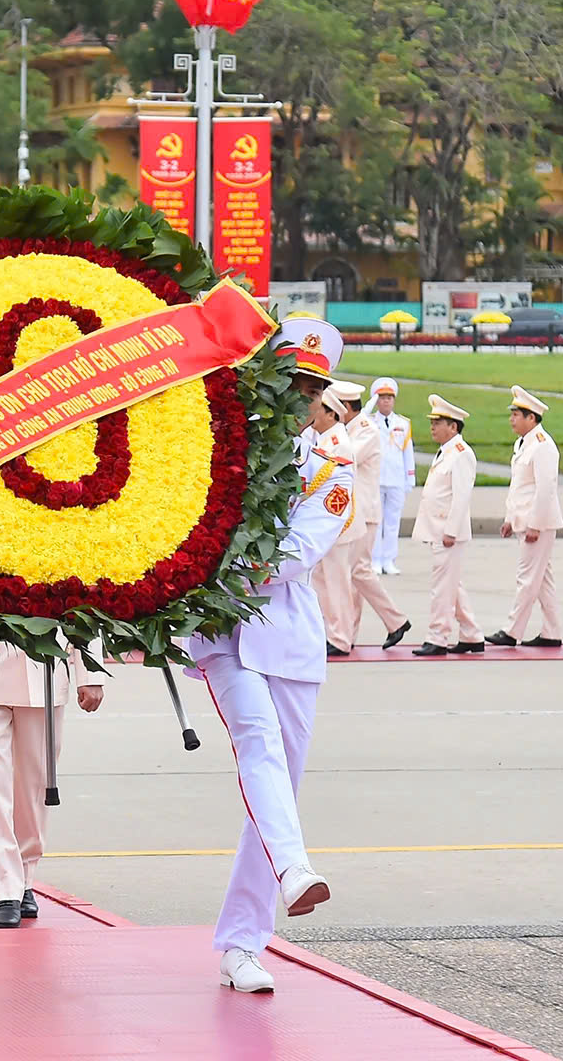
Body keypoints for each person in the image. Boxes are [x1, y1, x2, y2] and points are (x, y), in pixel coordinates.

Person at [188, 316, 350, 994]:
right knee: (257, 744)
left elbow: (291, 556)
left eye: (311, 389)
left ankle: (242, 942)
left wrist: (225, 563)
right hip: (224, 633)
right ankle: (295, 869)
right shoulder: (218, 455)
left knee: (276, 788)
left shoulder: (330, 481)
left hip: (285, 639)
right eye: (289, 383)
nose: (300, 400)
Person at [0, 637, 104, 927]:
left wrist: (90, 673)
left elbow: (87, 598)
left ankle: (26, 877)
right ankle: (5, 890)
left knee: (35, 787)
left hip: (43, 674)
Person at [489, 386, 563, 649]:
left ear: (531, 418)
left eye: (516, 415)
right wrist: (510, 518)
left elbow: (545, 489)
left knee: (527, 578)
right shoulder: (523, 444)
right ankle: (552, 632)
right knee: (542, 581)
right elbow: (520, 487)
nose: (512, 419)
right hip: (525, 521)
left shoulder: (543, 446)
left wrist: (534, 524)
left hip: (538, 524)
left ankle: (512, 631)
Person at [340, 384, 409, 651]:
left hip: (365, 512)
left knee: (359, 571)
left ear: (347, 408)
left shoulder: (366, 431)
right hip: (355, 512)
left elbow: (348, 457)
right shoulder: (354, 429)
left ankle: (396, 620)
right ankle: (349, 633)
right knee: (355, 575)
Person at [411, 395, 480, 656]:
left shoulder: (461, 454)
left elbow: (461, 496)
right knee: (453, 585)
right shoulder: (447, 452)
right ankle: (472, 635)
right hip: (440, 530)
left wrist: (451, 530)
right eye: (432, 422)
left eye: (438, 422)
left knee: (442, 588)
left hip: (448, 533)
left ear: (453, 427)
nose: (432, 427)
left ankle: (437, 637)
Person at [306, 383, 362, 657]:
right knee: (323, 583)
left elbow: (340, 492)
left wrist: (331, 528)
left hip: (336, 527)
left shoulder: (339, 443)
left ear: (331, 414)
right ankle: (333, 632)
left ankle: (341, 638)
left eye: (319, 409)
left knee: (337, 584)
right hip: (325, 527)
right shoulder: (325, 438)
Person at [366, 378, 415, 575]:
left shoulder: (403, 423)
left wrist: (409, 479)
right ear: (376, 400)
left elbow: (407, 452)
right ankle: (375, 559)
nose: (386, 402)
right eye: (382, 398)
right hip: (376, 478)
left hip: (396, 478)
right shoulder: (369, 422)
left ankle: (389, 559)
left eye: (389, 398)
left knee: (393, 522)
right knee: (376, 522)